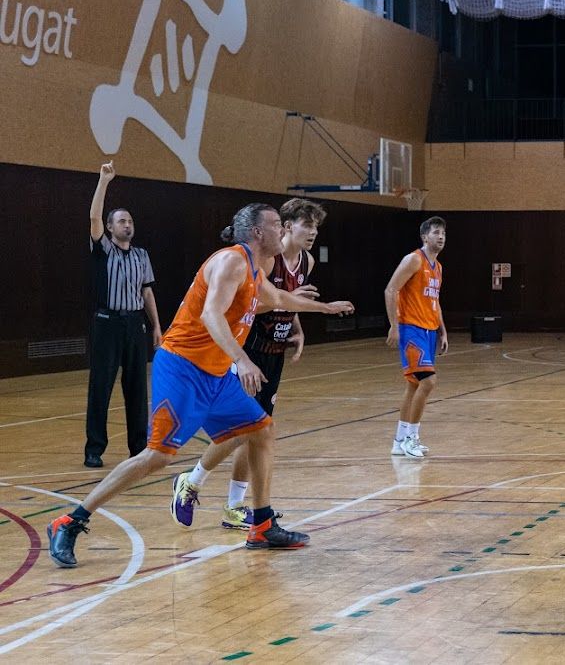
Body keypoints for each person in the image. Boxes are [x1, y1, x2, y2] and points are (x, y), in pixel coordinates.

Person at [47, 204, 354, 567]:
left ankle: (262, 524)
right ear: (257, 233)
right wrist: (243, 359)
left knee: (262, 430)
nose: (282, 231)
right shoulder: (231, 261)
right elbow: (211, 314)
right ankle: (70, 520)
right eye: (275, 225)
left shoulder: (261, 267)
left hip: (215, 373)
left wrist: (326, 309)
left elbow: (275, 299)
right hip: (183, 367)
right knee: (157, 456)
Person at [169, 199, 325, 531]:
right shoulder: (267, 259)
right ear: (286, 226)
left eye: (316, 226)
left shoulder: (308, 261)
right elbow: (254, 305)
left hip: (274, 350)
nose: (312, 232)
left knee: (254, 431)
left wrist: (295, 328)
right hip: (248, 348)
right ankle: (196, 484)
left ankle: (230, 504)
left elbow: (286, 303)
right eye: (306, 225)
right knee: (245, 430)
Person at [84, 162, 162, 468]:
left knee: (136, 387)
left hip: (134, 324)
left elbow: (147, 293)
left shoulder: (142, 255)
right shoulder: (102, 249)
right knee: (101, 386)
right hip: (107, 324)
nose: (127, 224)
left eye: (129, 220)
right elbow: (93, 216)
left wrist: (156, 326)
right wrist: (103, 181)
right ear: (110, 227)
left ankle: (138, 446)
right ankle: (94, 449)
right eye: (121, 221)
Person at [386, 216, 447, 458]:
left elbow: (435, 301)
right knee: (428, 382)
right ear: (424, 237)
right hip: (411, 329)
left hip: (429, 330)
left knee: (413, 385)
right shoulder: (413, 260)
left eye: (443, 232)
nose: (440, 236)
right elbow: (391, 289)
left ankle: (399, 440)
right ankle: (411, 437)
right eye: (435, 232)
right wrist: (394, 325)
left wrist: (442, 329)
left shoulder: (438, 267)